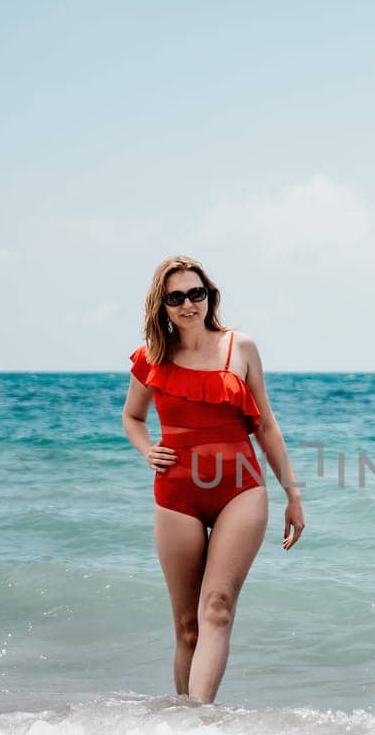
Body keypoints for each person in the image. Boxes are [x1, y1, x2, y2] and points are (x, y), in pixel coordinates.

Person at [121, 255, 304, 702]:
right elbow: (132, 417)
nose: (188, 304)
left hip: (240, 489)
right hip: (176, 493)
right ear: (162, 306)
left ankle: (200, 721)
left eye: (196, 294)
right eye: (177, 297)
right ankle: (184, 727)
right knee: (187, 628)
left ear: (210, 297)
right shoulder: (153, 357)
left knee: (217, 610)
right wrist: (148, 451)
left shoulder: (239, 347)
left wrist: (292, 495)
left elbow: (265, 425)